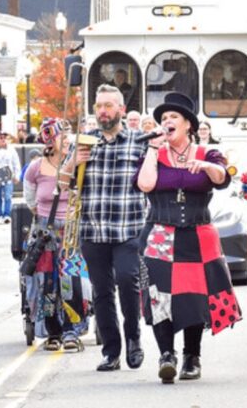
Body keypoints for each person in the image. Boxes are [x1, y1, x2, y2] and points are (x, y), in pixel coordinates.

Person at [135, 92, 238, 384]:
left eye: (173, 118)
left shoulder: (207, 153)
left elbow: (222, 177)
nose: (167, 122)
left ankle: (192, 356)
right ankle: (166, 354)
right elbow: (145, 185)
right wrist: (154, 151)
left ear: (188, 125)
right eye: (163, 118)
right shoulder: (155, 154)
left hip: (197, 234)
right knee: (159, 296)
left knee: (193, 298)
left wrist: (206, 167)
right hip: (159, 234)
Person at [62, 84, 148, 372]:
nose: (102, 111)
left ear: (121, 110)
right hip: (93, 230)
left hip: (128, 228)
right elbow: (64, 184)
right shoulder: (85, 142)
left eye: (108, 106)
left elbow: (152, 179)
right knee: (101, 292)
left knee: (127, 281)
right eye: (98, 106)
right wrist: (75, 161)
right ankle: (111, 351)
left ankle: (134, 338)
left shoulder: (140, 141)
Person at [22, 118, 92, 351]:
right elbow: (31, 199)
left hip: (72, 229)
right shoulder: (36, 168)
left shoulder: (77, 163)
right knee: (47, 283)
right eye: (62, 136)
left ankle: (72, 330)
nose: (67, 140)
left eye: (68, 135)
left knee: (71, 281)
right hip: (46, 231)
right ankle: (53, 332)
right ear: (50, 140)